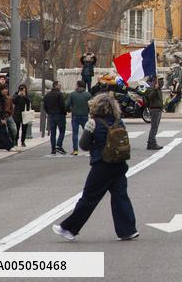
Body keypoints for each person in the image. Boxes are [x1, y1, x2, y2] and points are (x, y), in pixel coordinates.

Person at [53, 93, 138, 242]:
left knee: (88, 198)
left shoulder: (94, 123)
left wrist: (89, 132)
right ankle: (128, 230)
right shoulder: (119, 121)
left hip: (102, 165)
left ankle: (69, 229)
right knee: (120, 197)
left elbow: (83, 146)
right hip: (119, 164)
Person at [67, 80, 92, 156]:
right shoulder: (88, 95)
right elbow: (91, 105)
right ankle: (90, 148)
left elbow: (67, 105)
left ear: (78, 85)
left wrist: (71, 109)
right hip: (84, 116)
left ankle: (75, 150)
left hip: (75, 116)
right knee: (88, 133)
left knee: (75, 133)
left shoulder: (72, 94)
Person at [44, 81, 68, 155]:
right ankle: (59, 145)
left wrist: (49, 112)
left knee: (53, 133)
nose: (60, 86)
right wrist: (64, 113)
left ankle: (53, 149)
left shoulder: (47, 95)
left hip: (51, 115)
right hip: (59, 115)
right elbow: (62, 105)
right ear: (56, 86)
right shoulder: (59, 94)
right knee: (62, 131)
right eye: (59, 85)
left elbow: (45, 106)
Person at [145, 76, 163, 150]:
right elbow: (150, 97)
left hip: (158, 109)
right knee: (154, 128)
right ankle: (152, 144)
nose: (162, 82)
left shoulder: (158, 88)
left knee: (154, 127)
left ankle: (150, 143)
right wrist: (155, 90)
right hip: (154, 109)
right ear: (156, 81)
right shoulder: (152, 88)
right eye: (161, 80)